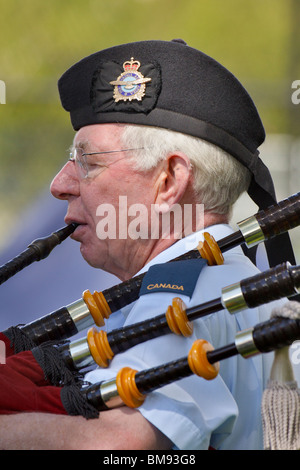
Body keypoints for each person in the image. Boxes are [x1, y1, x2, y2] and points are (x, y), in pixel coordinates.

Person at [0, 39, 296, 450]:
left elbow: (120, 446)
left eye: (88, 161)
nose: (60, 185)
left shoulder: (180, 294)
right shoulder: (230, 279)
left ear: (170, 181)